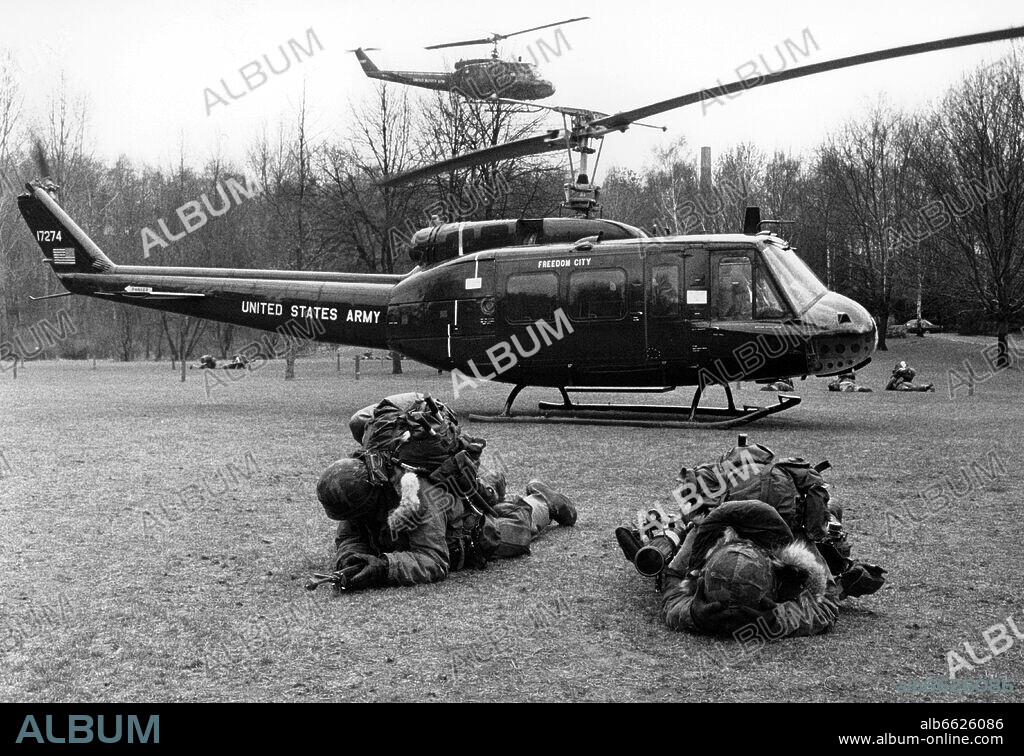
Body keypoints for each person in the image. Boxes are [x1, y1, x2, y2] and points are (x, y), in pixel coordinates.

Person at [315, 458, 576, 590]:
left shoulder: (415, 498)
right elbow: (350, 536)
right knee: (494, 508)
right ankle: (495, 496)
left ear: (372, 499)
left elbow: (434, 561)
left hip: (469, 532)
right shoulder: (358, 496)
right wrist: (352, 560)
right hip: (448, 513)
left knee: (519, 528)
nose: (351, 521)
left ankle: (542, 500)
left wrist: (385, 568)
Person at [657, 500, 840, 638]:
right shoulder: (702, 537)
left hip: (783, 513)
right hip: (723, 508)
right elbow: (672, 579)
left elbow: (828, 604)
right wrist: (693, 613)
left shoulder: (796, 544)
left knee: (829, 520)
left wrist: (776, 620)